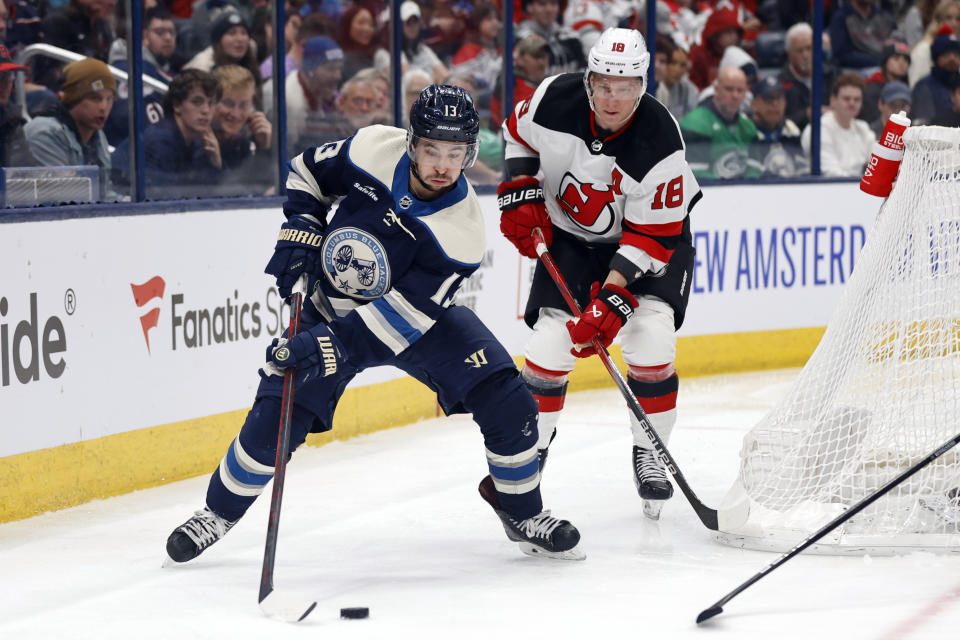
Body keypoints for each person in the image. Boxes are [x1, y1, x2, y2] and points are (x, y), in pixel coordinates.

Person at [165, 84, 585, 564]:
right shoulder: (370, 149)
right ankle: (215, 515)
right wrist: (301, 228)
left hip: (415, 323)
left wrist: (325, 346)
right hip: (328, 303)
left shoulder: (461, 234)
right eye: (432, 150)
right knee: (277, 412)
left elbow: (392, 324)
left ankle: (522, 512)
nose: (443, 166)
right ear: (411, 143)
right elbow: (307, 172)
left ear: (470, 154)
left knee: (507, 398)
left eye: (456, 153)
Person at [499, 27, 701, 519]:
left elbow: (651, 239)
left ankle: (649, 449)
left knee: (650, 337)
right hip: (572, 238)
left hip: (651, 240)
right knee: (550, 343)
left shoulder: (660, 141)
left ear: (643, 85)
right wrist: (522, 187)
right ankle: (529, 455)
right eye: (605, 84)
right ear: (589, 80)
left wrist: (612, 300)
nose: (614, 98)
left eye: (626, 86)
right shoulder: (552, 98)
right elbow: (517, 133)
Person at [111, 69, 223, 196]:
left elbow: (207, 193)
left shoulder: (200, 140)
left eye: (211, 103)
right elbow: (166, 200)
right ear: (177, 105)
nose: (206, 110)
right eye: (197, 102)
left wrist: (216, 164)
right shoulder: (159, 140)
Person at [25, 58, 115, 194]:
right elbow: (66, 197)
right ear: (73, 98)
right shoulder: (44, 133)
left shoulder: (97, 135)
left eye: (110, 99)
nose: (104, 107)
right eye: (95, 98)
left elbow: (105, 194)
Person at [104, 6, 178, 146]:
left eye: (171, 32)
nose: (168, 38)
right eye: (160, 32)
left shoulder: (168, 70)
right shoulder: (128, 68)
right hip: (132, 155)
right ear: (145, 35)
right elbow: (125, 117)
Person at [265, 36, 351, 156]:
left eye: (339, 69)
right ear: (310, 70)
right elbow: (287, 156)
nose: (338, 76)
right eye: (331, 69)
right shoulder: (291, 102)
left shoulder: (316, 88)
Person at [680, 67, 759, 180]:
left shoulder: (748, 127)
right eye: (729, 89)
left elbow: (754, 173)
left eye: (740, 90)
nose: (735, 96)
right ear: (716, 90)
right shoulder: (695, 124)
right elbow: (696, 176)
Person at [211, 64, 273, 194]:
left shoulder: (245, 140)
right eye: (228, 103)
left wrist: (265, 148)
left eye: (244, 105)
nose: (236, 114)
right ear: (211, 102)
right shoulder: (199, 140)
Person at [801, 73, 875, 177]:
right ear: (833, 100)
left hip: (859, 187)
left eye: (857, 99)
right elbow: (831, 173)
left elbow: (877, 165)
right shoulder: (818, 130)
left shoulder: (863, 128)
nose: (852, 103)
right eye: (846, 99)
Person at [373, 1, 448, 83]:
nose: (413, 27)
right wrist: (435, 79)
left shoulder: (422, 49)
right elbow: (411, 83)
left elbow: (446, 77)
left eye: (415, 21)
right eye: (408, 22)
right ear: (398, 25)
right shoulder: (384, 54)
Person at [778, 22, 834, 131]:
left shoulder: (832, 74)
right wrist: (806, 115)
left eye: (809, 48)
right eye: (799, 50)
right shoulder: (780, 84)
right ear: (789, 54)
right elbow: (778, 122)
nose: (805, 55)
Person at [749, 76, 806, 177]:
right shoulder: (747, 132)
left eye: (779, 98)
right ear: (754, 104)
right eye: (768, 98)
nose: (775, 104)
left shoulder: (790, 129)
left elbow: (803, 170)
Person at [490, 33, 551, 126]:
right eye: (536, 56)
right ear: (520, 59)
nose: (541, 62)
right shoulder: (510, 83)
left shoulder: (550, 84)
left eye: (544, 56)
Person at [516, 0, 586, 76]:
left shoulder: (571, 36)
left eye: (553, 3)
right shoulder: (520, 38)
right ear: (529, 7)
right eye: (542, 4)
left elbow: (583, 69)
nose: (549, 9)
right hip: (536, 87)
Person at [828, 0, 898, 69]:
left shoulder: (885, 17)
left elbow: (899, 44)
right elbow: (842, 56)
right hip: (856, 70)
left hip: (888, 67)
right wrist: (881, 62)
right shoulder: (841, 18)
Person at [911, 26, 960, 124]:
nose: (952, 58)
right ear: (936, 57)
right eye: (946, 54)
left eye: (956, 54)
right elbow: (922, 126)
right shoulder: (924, 86)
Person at [0, 43, 36, 167]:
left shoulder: (11, 121)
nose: (6, 84)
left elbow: (26, 173)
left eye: (9, 76)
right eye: (0, 77)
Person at [861, 41, 911, 123]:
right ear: (885, 62)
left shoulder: (908, 89)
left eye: (906, 59)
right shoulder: (872, 89)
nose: (902, 63)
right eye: (896, 58)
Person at [654, 36, 698, 121]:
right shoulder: (657, 89)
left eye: (683, 65)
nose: (677, 70)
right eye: (673, 63)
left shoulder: (689, 89)